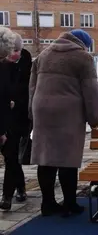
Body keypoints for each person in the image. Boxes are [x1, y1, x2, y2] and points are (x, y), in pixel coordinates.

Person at [29, 29, 98, 217]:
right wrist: (94, 119)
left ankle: (48, 204)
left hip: (42, 111)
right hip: (68, 112)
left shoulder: (43, 54)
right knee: (67, 159)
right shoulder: (83, 57)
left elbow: (32, 86)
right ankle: (70, 203)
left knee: (46, 159)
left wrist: (32, 111)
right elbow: (91, 91)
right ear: (84, 44)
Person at [0, 32, 32, 210]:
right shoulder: (3, 64)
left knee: (12, 156)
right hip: (5, 116)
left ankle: (7, 196)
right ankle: (20, 187)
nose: (14, 53)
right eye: (11, 50)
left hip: (21, 117)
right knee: (11, 157)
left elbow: (30, 90)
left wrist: (17, 102)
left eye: (17, 50)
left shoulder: (28, 64)